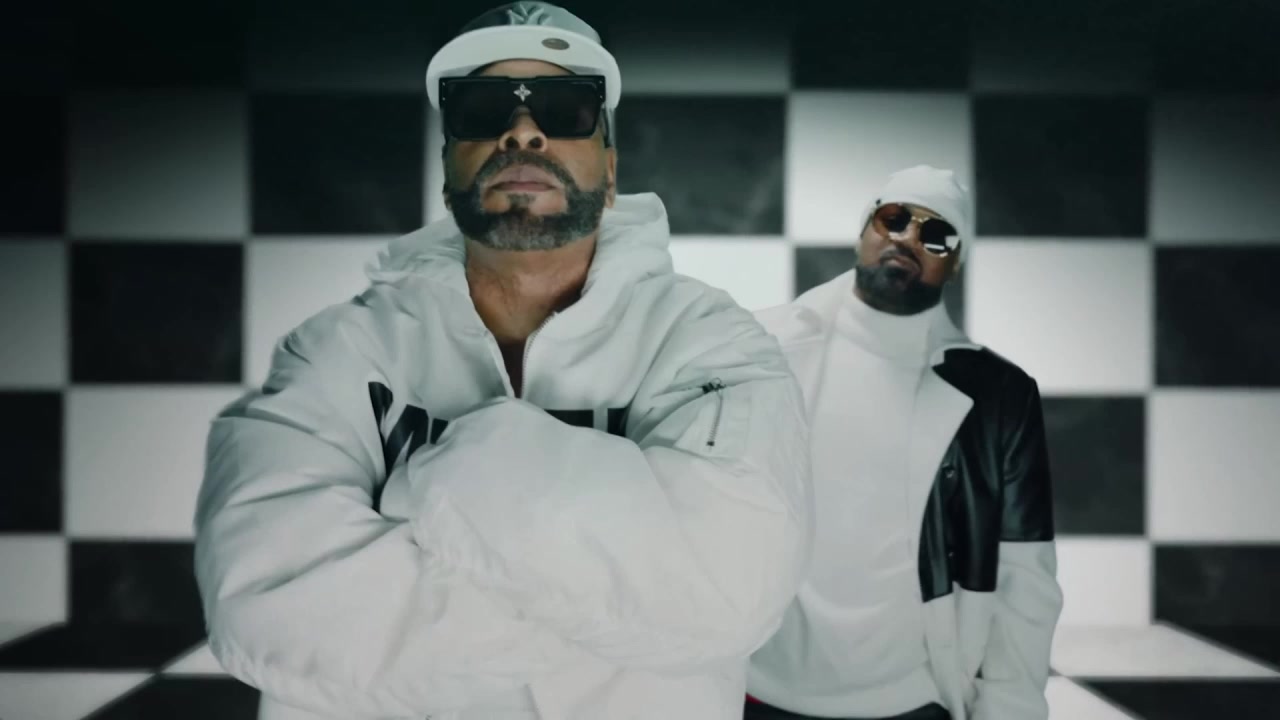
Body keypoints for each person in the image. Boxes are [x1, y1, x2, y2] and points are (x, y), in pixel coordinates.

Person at [192, 3, 813, 720]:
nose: (522, 131)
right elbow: (265, 607)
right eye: (483, 109)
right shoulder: (337, 347)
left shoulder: (711, 341)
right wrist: (613, 601)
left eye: (565, 107)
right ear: (447, 169)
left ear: (610, 172)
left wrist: (439, 482)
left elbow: (728, 593)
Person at [746, 165, 1063, 720]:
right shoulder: (761, 347)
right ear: (865, 230)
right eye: (893, 218)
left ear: (955, 263)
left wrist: (1010, 707)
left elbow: (1025, 576)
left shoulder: (999, 396)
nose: (908, 238)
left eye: (936, 234)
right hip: (760, 686)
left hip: (912, 698)